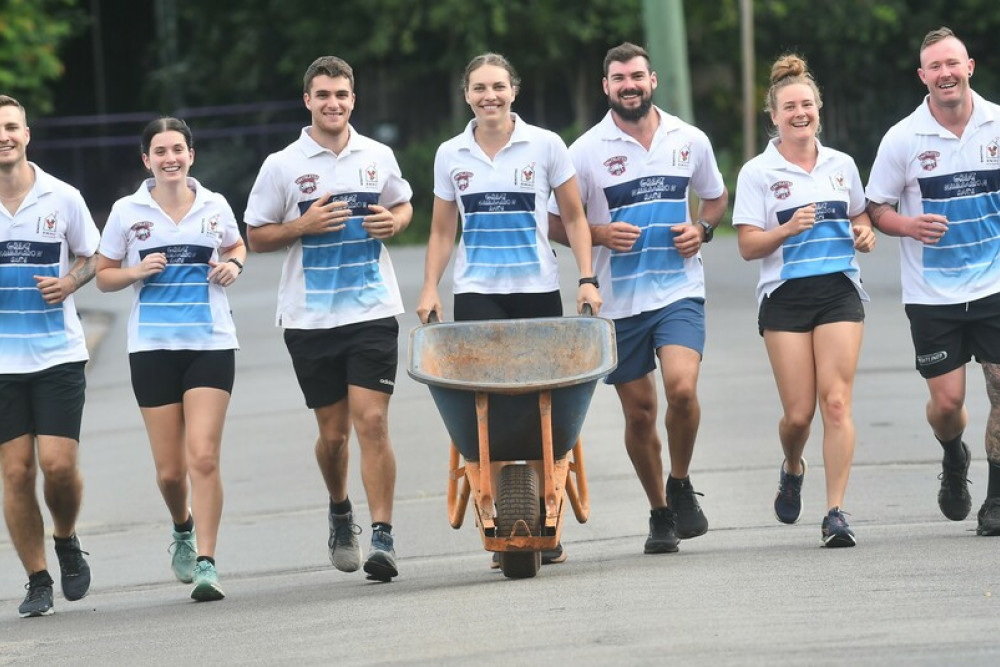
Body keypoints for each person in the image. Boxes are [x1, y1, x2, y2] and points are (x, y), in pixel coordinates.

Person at [415, 52, 602, 567]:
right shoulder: (451, 153)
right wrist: (430, 286)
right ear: (467, 94)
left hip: (537, 289)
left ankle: (546, 515)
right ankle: (503, 515)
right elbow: (440, 230)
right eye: (479, 88)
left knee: (543, 403)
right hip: (477, 291)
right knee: (490, 410)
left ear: (513, 91)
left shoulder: (545, 145)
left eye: (497, 86)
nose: (489, 96)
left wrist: (586, 279)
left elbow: (574, 217)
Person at [548, 43, 727, 554]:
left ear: (653, 81)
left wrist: (703, 229)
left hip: (678, 290)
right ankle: (660, 512)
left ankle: (681, 480)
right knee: (640, 414)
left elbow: (715, 197)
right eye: (619, 78)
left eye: (637, 76)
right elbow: (555, 220)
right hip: (619, 302)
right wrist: (599, 235)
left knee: (683, 390)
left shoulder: (688, 139)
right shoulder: (583, 150)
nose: (629, 85)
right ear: (606, 87)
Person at [245, 56, 411, 582]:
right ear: (308, 101)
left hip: (372, 309)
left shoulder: (377, 155)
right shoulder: (283, 164)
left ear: (353, 100)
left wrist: (394, 221)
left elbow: (403, 205)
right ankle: (341, 509)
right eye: (323, 95)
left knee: (374, 421)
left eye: (341, 94)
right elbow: (256, 236)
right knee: (334, 436)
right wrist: (303, 224)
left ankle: (382, 536)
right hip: (311, 318)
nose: (333, 103)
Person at [96, 118, 245, 601]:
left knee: (202, 455)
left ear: (191, 154)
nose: (170, 159)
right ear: (147, 160)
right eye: (160, 151)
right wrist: (136, 270)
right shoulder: (126, 211)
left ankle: (207, 561)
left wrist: (233, 264)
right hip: (152, 348)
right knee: (169, 472)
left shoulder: (214, 204)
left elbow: (237, 245)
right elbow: (103, 276)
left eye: (177, 149)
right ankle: (181, 527)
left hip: (210, 343)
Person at [733, 55, 876, 547]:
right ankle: (793, 466)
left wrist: (864, 233)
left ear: (819, 110)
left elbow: (860, 217)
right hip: (786, 297)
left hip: (838, 289)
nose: (800, 112)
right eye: (789, 106)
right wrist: (787, 228)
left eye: (807, 104)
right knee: (799, 416)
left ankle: (835, 511)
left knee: (835, 403)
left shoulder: (842, 165)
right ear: (772, 114)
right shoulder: (757, 172)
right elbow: (748, 246)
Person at [866, 26, 1000, 536]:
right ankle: (953, 455)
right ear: (923, 76)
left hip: (994, 287)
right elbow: (875, 207)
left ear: (970, 67)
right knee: (948, 405)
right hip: (932, 296)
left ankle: (996, 500)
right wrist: (908, 225)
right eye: (935, 67)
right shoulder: (903, 138)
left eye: (953, 63)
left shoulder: (996, 125)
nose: (946, 73)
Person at [0, 95, 98, 617]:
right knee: (15, 473)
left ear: (27, 133)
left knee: (57, 467)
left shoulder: (62, 197)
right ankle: (37, 578)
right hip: (1, 363)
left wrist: (69, 282)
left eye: (11, 127)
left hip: (58, 352)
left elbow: (93, 257)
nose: (4, 137)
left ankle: (65, 537)